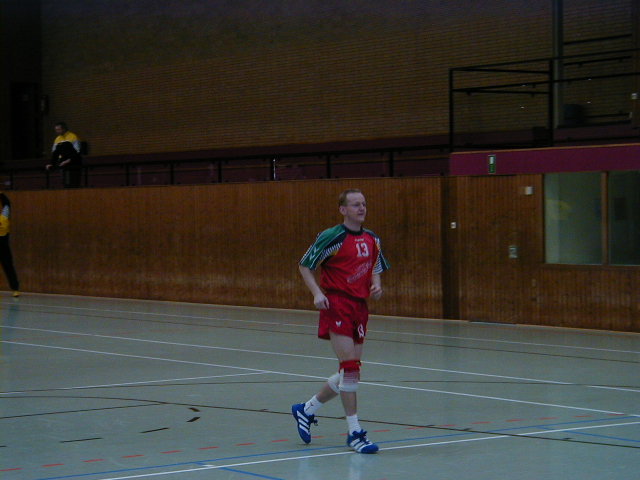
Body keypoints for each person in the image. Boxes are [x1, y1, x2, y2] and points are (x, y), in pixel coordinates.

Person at [292, 188, 390, 454]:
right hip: (337, 304)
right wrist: (317, 293)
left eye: (364, 204)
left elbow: (376, 266)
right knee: (349, 368)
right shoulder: (332, 236)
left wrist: (376, 285)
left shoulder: (372, 239)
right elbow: (305, 264)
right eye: (355, 204)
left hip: (360, 307)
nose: (361, 208)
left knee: (352, 370)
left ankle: (307, 409)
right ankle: (354, 432)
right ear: (343, 209)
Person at [0, 193, 20, 297]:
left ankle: (15, 288)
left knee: (9, 268)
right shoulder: (4, 217)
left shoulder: (3, 217)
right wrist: (1, 194)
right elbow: (7, 204)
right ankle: (15, 289)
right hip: (4, 248)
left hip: (3, 248)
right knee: (9, 268)